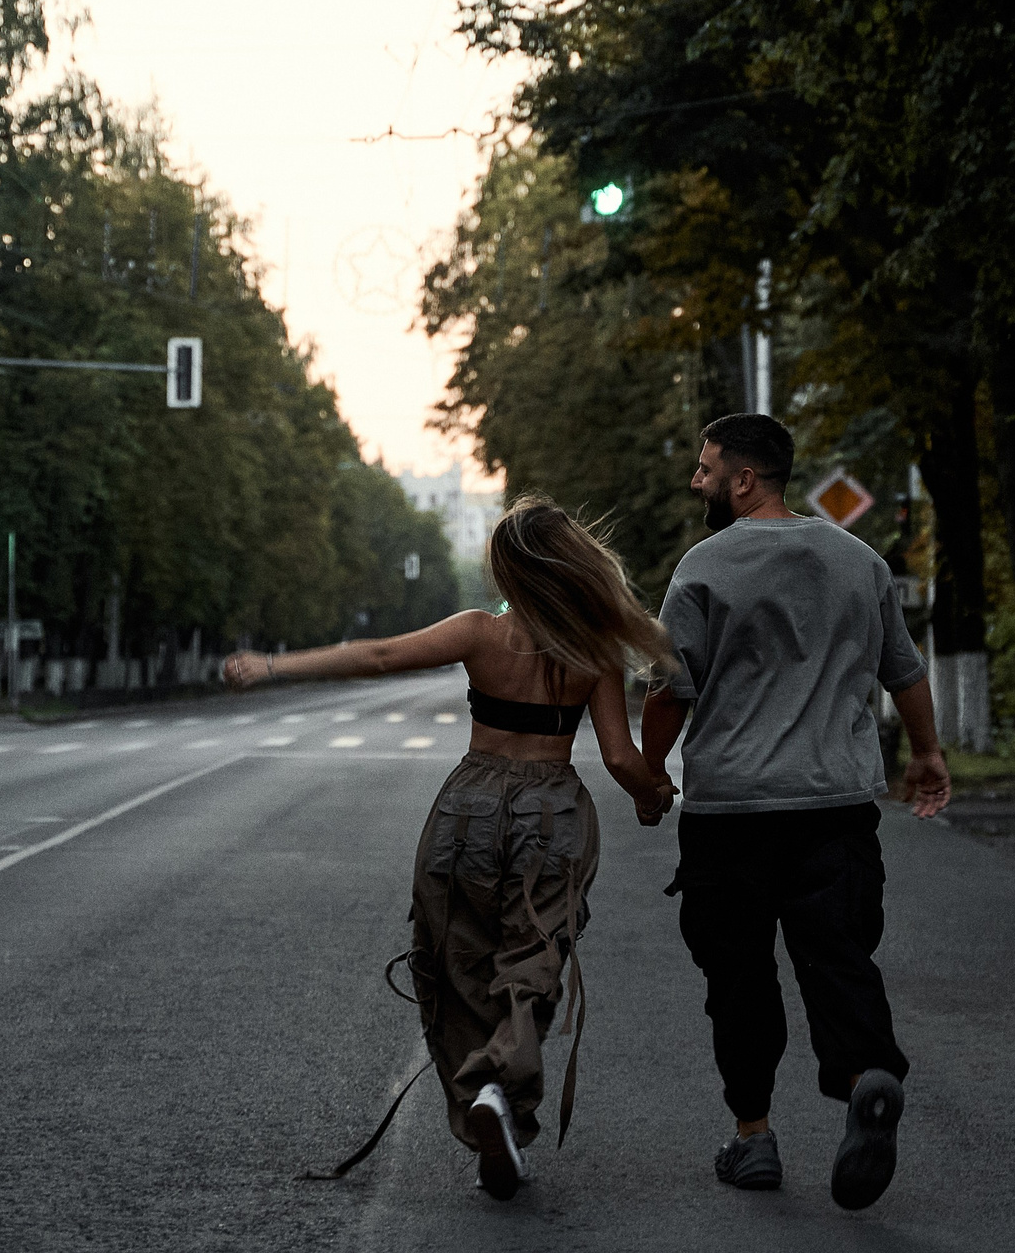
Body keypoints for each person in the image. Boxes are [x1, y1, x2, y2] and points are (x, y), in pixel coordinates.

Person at [223, 497, 676, 1201]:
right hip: (552, 811)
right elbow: (619, 755)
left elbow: (377, 655)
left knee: (457, 959)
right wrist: (653, 793)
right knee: (534, 961)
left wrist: (273, 665)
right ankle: (502, 1090)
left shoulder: (478, 633)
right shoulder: (593, 650)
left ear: (510, 571)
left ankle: (484, 1102)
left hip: (466, 808)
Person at [640, 412, 951, 1212]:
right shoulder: (861, 560)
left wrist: (647, 773)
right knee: (838, 956)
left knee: (737, 979)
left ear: (746, 478)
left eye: (707, 468)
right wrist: (926, 755)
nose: (698, 480)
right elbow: (903, 671)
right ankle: (865, 1076)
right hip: (836, 809)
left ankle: (753, 1138)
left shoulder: (703, 567)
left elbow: (671, 688)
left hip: (731, 814)